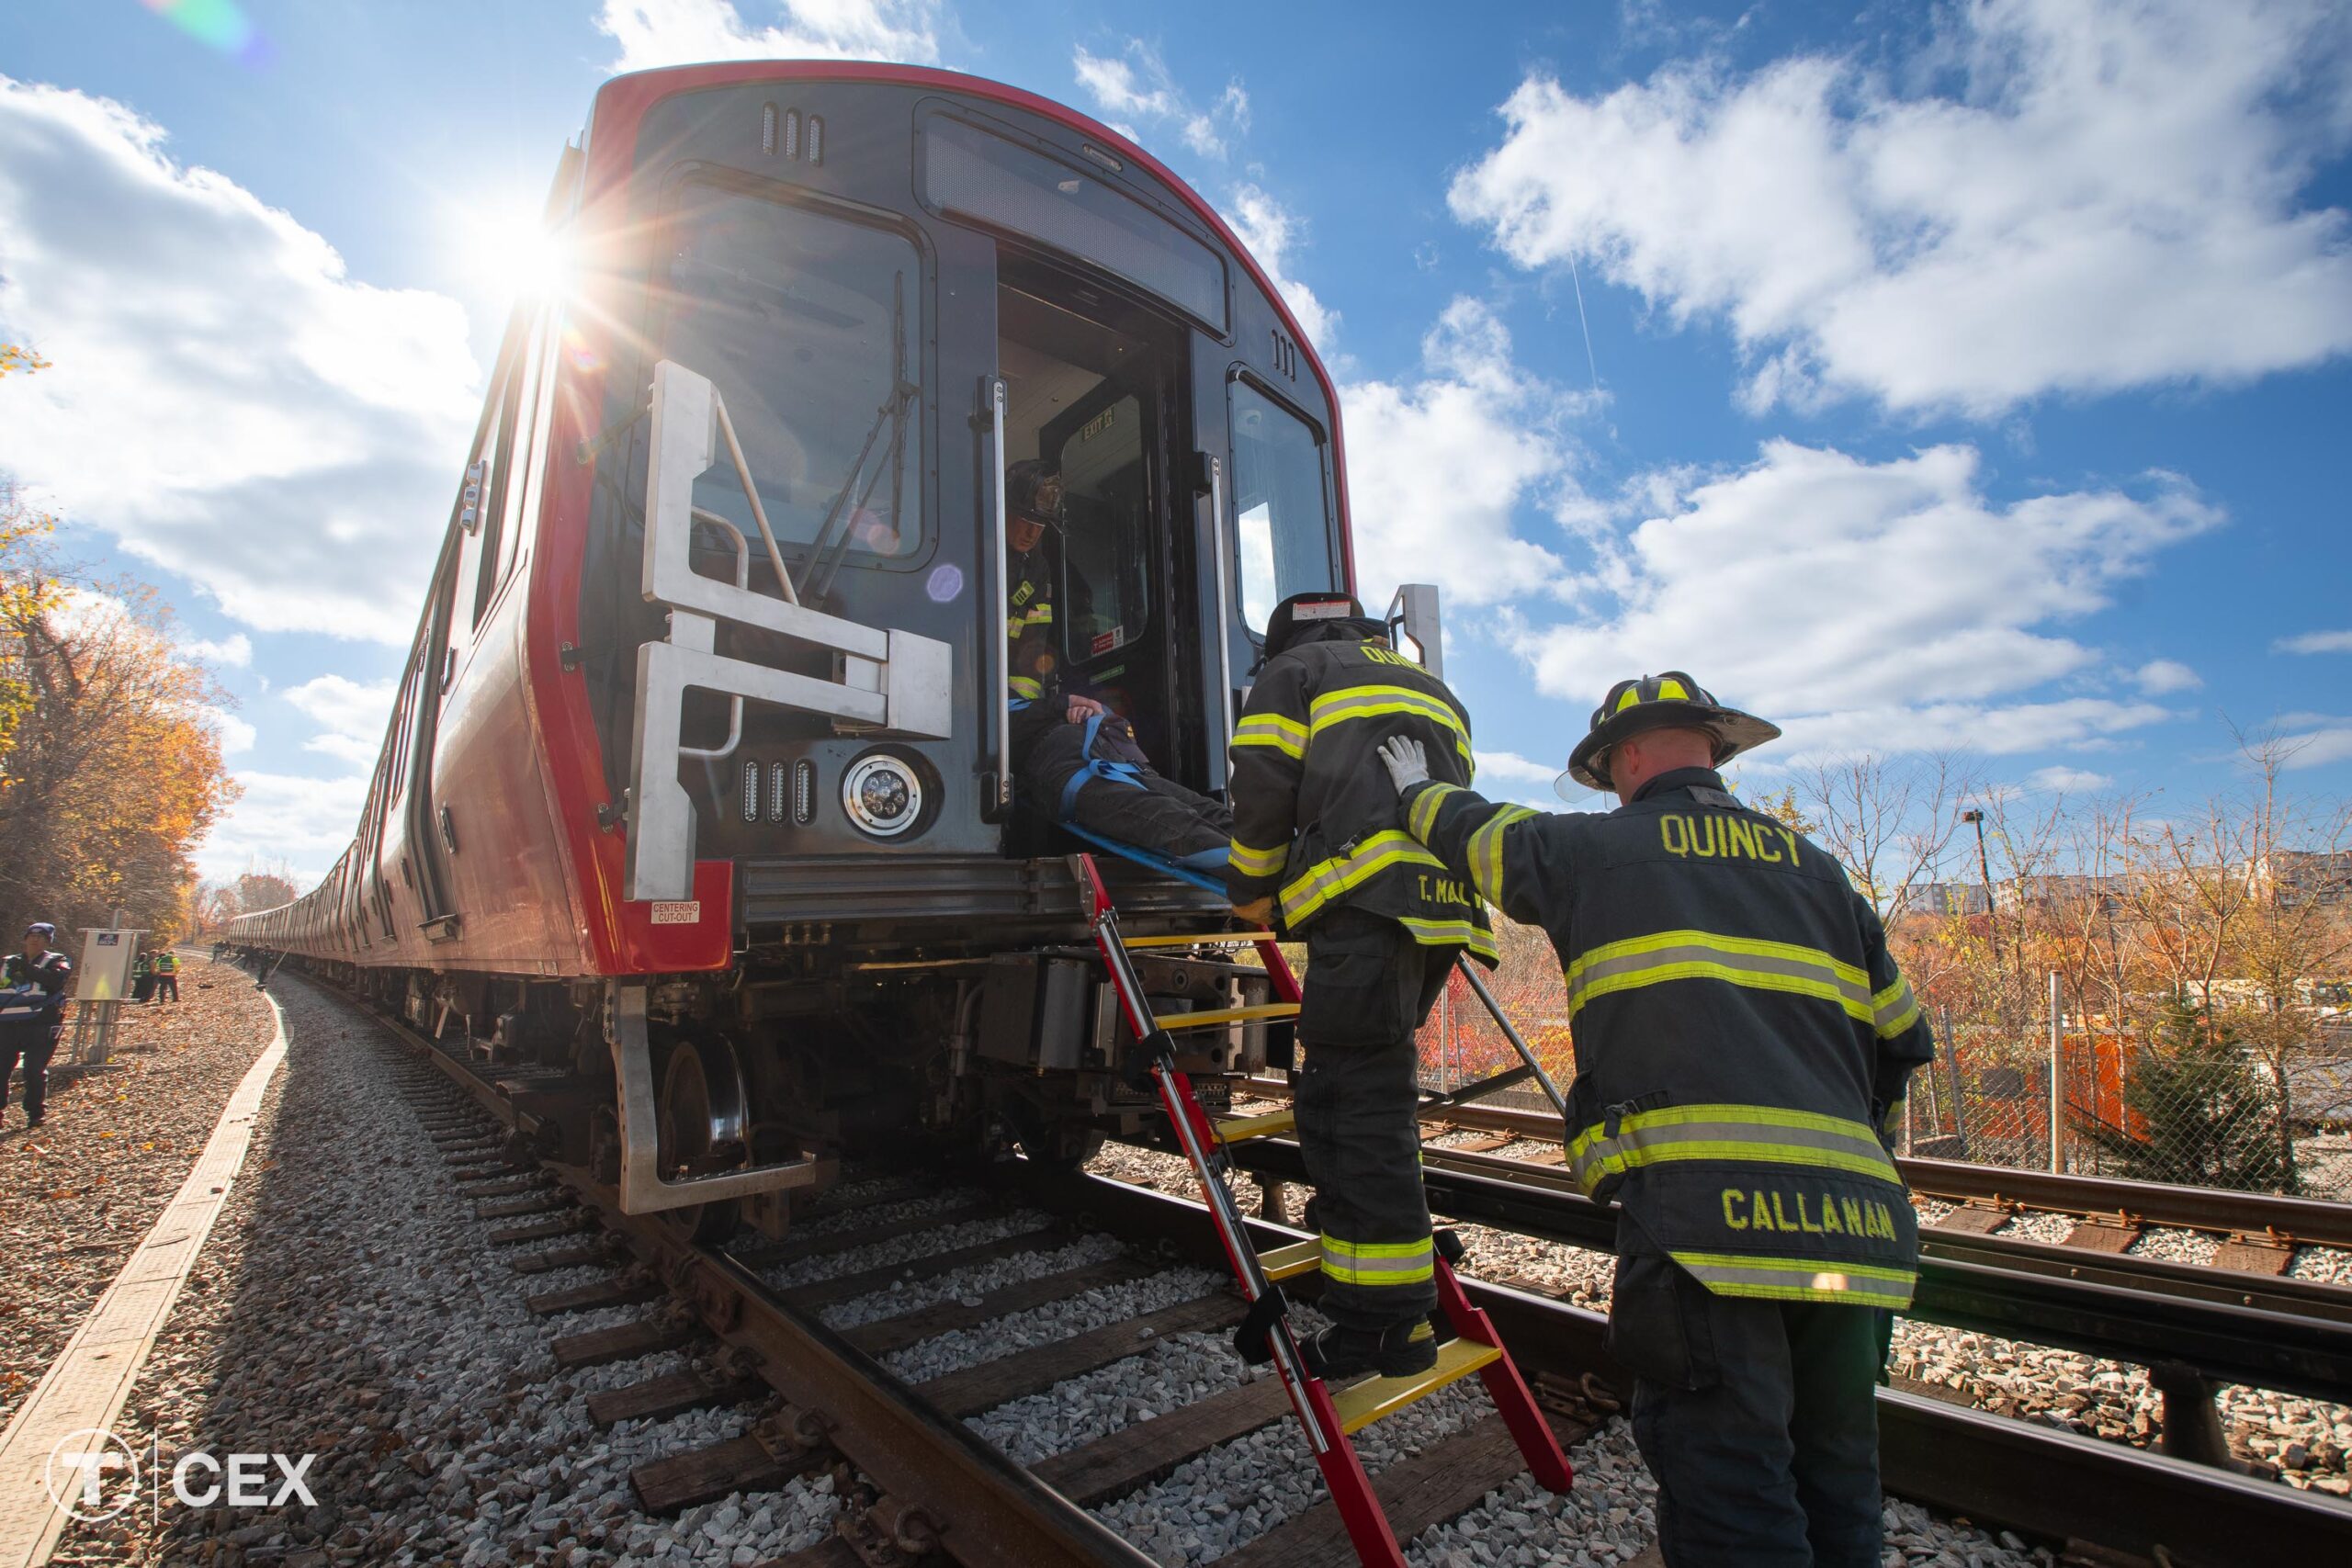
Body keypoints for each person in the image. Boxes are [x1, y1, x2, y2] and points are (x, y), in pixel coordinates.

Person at [1375, 671, 1933, 1568]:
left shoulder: (1597, 853)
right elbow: (1903, 1037)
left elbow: (1481, 839)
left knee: (1735, 1503)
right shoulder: (1819, 874)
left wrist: (1413, 792)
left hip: (1707, 1240)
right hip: (1854, 1241)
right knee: (1837, 1486)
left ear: (1625, 756)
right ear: (1712, 750)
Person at [1224, 590, 1494, 1380]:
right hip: (1438, 916)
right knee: (1376, 1098)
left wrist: (1252, 889)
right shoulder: (1432, 688)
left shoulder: (1296, 673)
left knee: (1350, 1108)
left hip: (1367, 912)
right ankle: (1388, 1299)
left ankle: (1385, 1324)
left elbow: (1264, 788)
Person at [1002, 458, 1232, 869]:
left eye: (1039, 524)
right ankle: (1265, 867)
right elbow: (983, 701)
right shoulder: (978, 560)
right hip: (1053, 740)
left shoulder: (1036, 568)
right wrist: (1055, 708)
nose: (1030, 532)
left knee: (1177, 801)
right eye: (1022, 518)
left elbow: (1030, 663)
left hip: (1088, 740)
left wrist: (1064, 707)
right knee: (1165, 814)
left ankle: (1275, 851)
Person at [0, 922, 74, 1129]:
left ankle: (35, 1113)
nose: (35, 940)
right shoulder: (7, 962)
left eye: (41, 937)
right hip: (7, 1023)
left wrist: (26, 969)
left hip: (41, 1024)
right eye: (31, 936)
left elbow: (55, 981)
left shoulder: (57, 961)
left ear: (48, 941)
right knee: (1, 1069)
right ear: (24, 939)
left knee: (34, 1070)